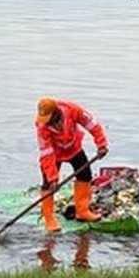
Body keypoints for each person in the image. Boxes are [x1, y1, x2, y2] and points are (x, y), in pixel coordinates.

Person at [34, 97, 109, 233]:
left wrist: (101, 144)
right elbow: (46, 152)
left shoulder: (71, 109)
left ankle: (82, 211)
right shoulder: (42, 127)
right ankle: (49, 219)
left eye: (49, 118)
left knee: (85, 175)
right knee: (47, 184)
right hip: (54, 154)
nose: (47, 122)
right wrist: (53, 178)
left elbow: (92, 125)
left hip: (73, 147)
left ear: (56, 112)